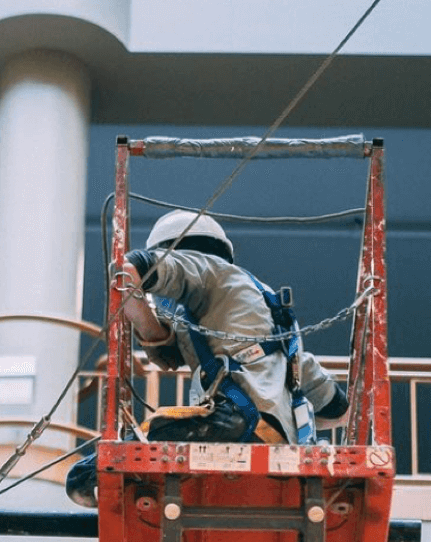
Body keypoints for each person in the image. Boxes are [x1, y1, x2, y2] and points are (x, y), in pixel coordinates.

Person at [65, 209, 349, 507]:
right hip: (279, 442)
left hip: (235, 420)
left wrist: (152, 336)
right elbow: (338, 411)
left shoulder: (202, 267)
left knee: (94, 468)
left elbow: (128, 273)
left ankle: (98, 480)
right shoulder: (272, 319)